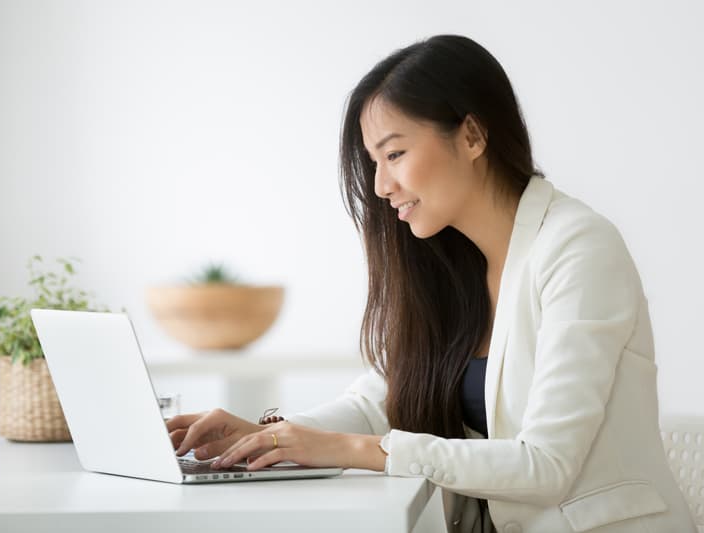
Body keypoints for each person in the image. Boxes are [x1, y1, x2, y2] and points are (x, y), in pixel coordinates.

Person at [165, 34, 696, 533]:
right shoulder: (448, 264)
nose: (379, 185)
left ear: (471, 135)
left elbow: (546, 463)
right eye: (374, 162)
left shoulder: (579, 248)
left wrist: (352, 450)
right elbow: (378, 401)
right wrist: (268, 437)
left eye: (394, 154)